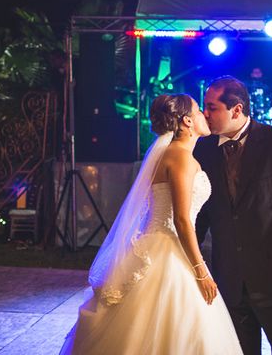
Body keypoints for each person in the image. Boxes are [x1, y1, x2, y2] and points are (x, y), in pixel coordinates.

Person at [60, 94, 242, 354]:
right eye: (199, 110)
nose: (205, 114)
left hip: (157, 243)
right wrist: (201, 271)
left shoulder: (170, 154)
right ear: (188, 121)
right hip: (167, 250)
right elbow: (180, 219)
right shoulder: (180, 157)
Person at [195, 76, 272, 355]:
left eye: (212, 107)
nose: (205, 114)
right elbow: (200, 212)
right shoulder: (203, 149)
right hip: (228, 277)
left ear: (236, 110)